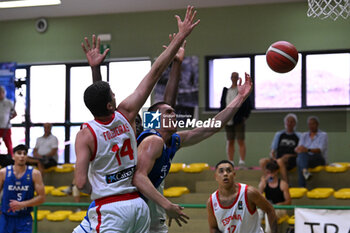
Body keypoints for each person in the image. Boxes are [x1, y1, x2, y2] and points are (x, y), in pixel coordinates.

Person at [74, 6, 200, 233]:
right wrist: (180, 37)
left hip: (115, 206)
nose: (115, 94)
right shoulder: (127, 115)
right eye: (112, 93)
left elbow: (81, 183)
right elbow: (154, 72)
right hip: (137, 205)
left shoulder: (89, 133)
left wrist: (103, 188)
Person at [133, 71, 252, 232]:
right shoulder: (152, 140)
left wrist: (240, 98)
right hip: (131, 209)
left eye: (174, 112)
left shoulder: (173, 141)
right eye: (169, 112)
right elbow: (138, 177)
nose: (174, 115)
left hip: (149, 211)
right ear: (154, 119)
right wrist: (167, 205)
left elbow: (211, 127)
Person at [207, 160, 277, 233]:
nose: (225, 174)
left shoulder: (249, 193)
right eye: (221, 171)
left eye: (228, 171)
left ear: (234, 174)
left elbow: (270, 210)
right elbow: (213, 228)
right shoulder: (211, 201)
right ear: (215, 176)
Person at [0, 144, 45, 233]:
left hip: (24, 218)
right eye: (19, 153)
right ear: (13, 156)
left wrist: (23, 204)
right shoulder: (3, 172)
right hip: (6, 217)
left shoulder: (35, 174)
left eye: (24, 154)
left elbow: (42, 198)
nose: (22, 156)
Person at [220, 72, 252, 167]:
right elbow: (222, 105)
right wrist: (222, 118)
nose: (234, 78)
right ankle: (231, 161)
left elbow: (248, 105)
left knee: (240, 140)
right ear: (231, 78)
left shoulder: (240, 90)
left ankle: (242, 161)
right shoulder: (226, 90)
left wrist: (244, 117)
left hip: (238, 119)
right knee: (230, 141)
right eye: (233, 77)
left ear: (238, 78)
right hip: (227, 120)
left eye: (236, 77)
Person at [259, 113, 300, 183]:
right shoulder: (279, 134)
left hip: (291, 159)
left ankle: (286, 183)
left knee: (280, 161)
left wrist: (289, 155)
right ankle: (270, 181)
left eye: (292, 122)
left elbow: (299, 152)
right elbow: (273, 150)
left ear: (295, 124)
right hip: (278, 159)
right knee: (262, 161)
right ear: (285, 123)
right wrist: (273, 157)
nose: (289, 123)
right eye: (288, 121)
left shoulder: (298, 136)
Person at [258, 159, 291, 233]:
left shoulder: (283, 184)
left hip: (279, 208)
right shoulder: (264, 183)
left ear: (276, 172)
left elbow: (289, 202)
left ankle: (268, 231)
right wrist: (262, 184)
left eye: (271, 173)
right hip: (268, 206)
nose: (270, 175)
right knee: (258, 212)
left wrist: (281, 204)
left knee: (269, 211)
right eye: (268, 173)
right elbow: (258, 196)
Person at [295, 116, 328, 187]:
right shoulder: (304, 135)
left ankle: (302, 186)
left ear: (317, 124)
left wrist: (307, 150)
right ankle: (305, 172)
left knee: (300, 159)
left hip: (318, 158)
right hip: (306, 158)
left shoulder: (323, 135)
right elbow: (299, 148)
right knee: (300, 157)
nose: (311, 126)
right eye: (309, 124)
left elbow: (319, 150)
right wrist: (298, 149)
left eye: (313, 124)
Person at [0, 86, 17, 157]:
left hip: (6, 127)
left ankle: (11, 160)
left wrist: (8, 119)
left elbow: (14, 114)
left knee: (9, 145)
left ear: (3, 93)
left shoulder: (9, 103)